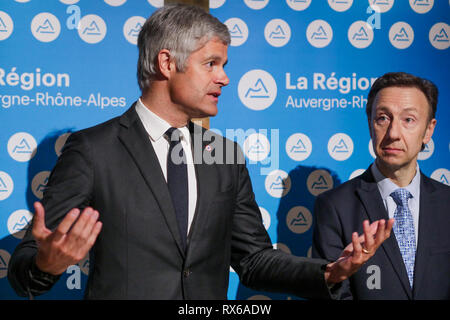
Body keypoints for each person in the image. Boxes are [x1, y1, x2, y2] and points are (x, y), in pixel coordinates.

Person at [8, 4, 393, 300]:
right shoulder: (94, 149)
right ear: (166, 62)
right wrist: (48, 263)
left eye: (224, 65)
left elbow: (254, 260)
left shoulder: (225, 155)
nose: (224, 77)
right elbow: (24, 270)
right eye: (211, 64)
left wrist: (330, 271)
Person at [312, 72, 450, 300]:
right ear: (370, 124)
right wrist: (336, 275)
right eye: (383, 118)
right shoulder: (334, 207)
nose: (393, 133)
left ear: (428, 130)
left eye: (409, 120)